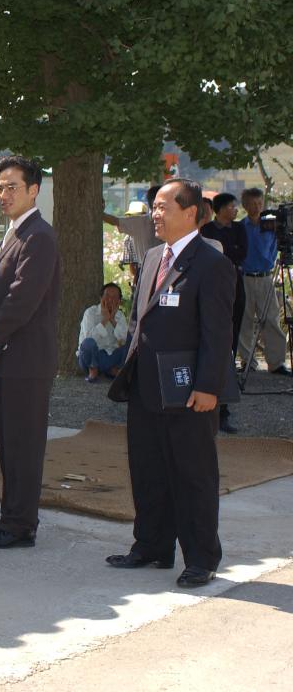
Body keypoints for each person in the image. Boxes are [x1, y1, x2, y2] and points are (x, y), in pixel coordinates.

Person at [105, 179, 233, 588]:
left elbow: (217, 334)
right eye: (153, 207)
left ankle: (201, 557)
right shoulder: (153, 257)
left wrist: (208, 386)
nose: (154, 214)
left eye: (163, 207)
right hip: (146, 386)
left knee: (193, 474)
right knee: (147, 469)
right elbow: (139, 323)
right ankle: (151, 546)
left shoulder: (212, 264)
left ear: (191, 212)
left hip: (187, 389)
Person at [0, 155, 60, 550]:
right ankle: (11, 517)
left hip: (27, 358)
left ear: (33, 190)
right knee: (9, 443)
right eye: (0, 187)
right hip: (7, 357)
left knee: (24, 445)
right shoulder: (15, 233)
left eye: (11, 187)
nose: (3, 194)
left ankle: (21, 524)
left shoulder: (39, 235)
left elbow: (24, 297)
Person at [200, 193, 247, 433]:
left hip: (232, 290)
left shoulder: (217, 240)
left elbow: (239, 254)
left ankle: (224, 410)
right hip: (205, 301)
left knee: (227, 347)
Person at [238, 188, 289, 375]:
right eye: (252, 203)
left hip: (266, 277)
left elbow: (279, 246)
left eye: (259, 203)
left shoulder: (271, 226)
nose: (256, 207)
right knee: (246, 320)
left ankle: (276, 363)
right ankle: (247, 361)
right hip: (245, 277)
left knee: (272, 320)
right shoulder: (240, 227)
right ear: (244, 205)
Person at [103, 188, 162, 282]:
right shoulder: (138, 223)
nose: (132, 217)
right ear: (152, 204)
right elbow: (115, 221)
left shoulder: (175, 222)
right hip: (146, 270)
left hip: (166, 270)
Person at [76, 283, 129, 382]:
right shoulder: (90, 313)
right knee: (88, 343)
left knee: (130, 344)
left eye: (114, 297)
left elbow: (124, 338)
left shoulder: (120, 316)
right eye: (107, 296)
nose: (110, 300)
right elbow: (88, 339)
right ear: (101, 298)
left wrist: (112, 320)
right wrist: (105, 320)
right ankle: (93, 370)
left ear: (119, 301)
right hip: (90, 357)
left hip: (109, 357)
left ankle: (111, 370)